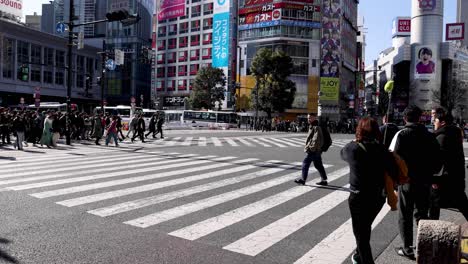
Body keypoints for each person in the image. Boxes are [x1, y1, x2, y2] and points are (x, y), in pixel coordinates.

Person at [389, 106, 441, 260]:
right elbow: (437, 161)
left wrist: (395, 181)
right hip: (424, 180)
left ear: (405, 118)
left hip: (407, 180)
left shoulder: (402, 135)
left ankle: (407, 248)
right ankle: (424, 246)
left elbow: (394, 159)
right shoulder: (429, 136)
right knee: (422, 214)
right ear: (420, 118)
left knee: (405, 214)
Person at [341, 117, 392, 264]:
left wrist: (355, 141)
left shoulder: (354, 148)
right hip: (378, 197)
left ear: (359, 130)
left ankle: (366, 260)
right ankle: (358, 255)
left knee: (360, 235)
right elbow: (393, 171)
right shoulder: (382, 149)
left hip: (359, 197)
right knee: (365, 227)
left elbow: (342, 153)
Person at [429, 107, 468, 221]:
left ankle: (432, 233)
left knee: (434, 206)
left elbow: (437, 162)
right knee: (463, 204)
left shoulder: (441, 137)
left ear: (442, 122)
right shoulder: (454, 134)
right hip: (456, 177)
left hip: (443, 180)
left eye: (435, 120)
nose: (433, 122)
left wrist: (434, 179)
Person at [294, 113, 328, 186]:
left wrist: (311, 148)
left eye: (310, 118)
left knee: (305, 164)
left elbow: (316, 140)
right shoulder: (313, 126)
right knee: (318, 165)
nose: (308, 119)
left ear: (314, 118)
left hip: (313, 150)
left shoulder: (316, 127)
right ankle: (324, 180)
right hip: (317, 151)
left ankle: (303, 180)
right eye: (308, 118)